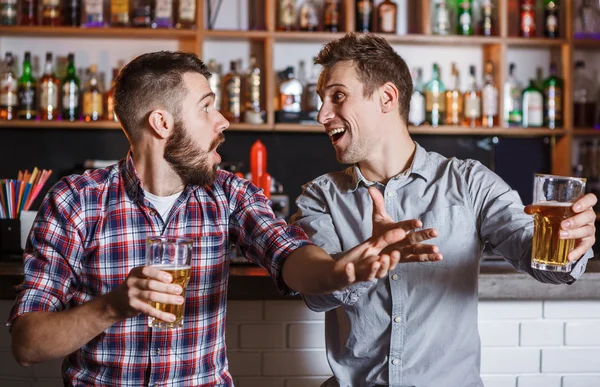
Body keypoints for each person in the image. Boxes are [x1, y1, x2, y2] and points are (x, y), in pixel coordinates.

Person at [7, 51, 434, 386]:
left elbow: (289, 255)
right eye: (207, 107)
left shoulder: (228, 194)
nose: (224, 120)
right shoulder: (75, 201)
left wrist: (345, 269)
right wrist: (114, 306)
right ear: (162, 123)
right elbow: (27, 343)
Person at [291, 33, 597, 387]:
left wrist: (571, 240)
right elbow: (315, 293)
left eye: (338, 96)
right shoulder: (320, 197)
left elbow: (539, 257)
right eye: (321, 99)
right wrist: (358, 267)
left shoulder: (469, 183)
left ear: (387, 97)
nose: (321, 114)